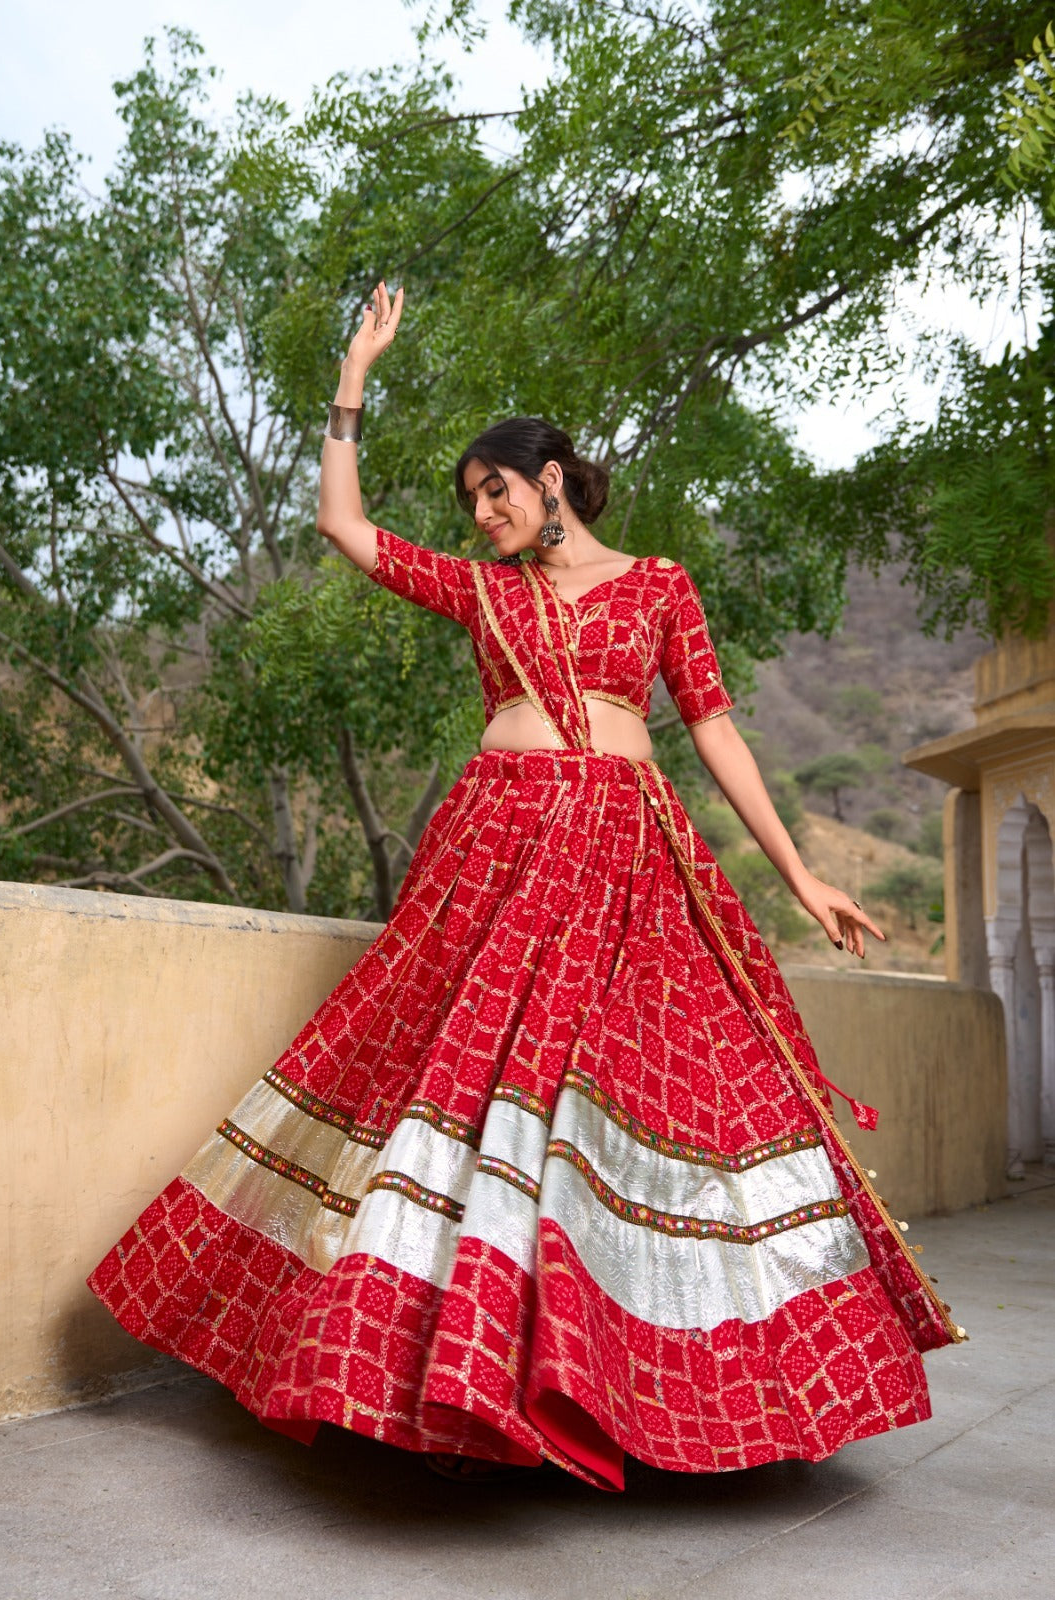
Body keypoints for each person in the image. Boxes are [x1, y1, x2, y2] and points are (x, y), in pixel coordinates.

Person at [88, 281, 963, 1492]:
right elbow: (345, 530)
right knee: (449, 1076)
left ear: (551, 475)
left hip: (629, 855)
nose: (484, 514)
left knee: (645, 1090)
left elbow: (714, 732)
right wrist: (352, 382)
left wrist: (803, 873)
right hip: (495, 851)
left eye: (496, 488)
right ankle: (425, 1368)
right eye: (471, 502)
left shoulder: (659, 586)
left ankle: (640, 1383)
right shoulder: (485, 591)